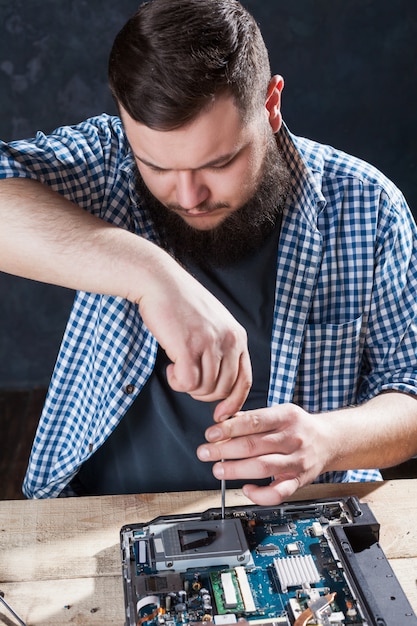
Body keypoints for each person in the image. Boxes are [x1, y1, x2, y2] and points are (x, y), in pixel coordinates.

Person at [0, 0, 416, 503]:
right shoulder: (109, 161)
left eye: (219, 163)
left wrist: (329, 442)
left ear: (271, 105)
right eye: (156, 166)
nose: (189, 196)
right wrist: (152, 277)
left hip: (294, 522)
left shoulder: (370, 208)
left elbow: (409, 391)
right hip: (97, 510)